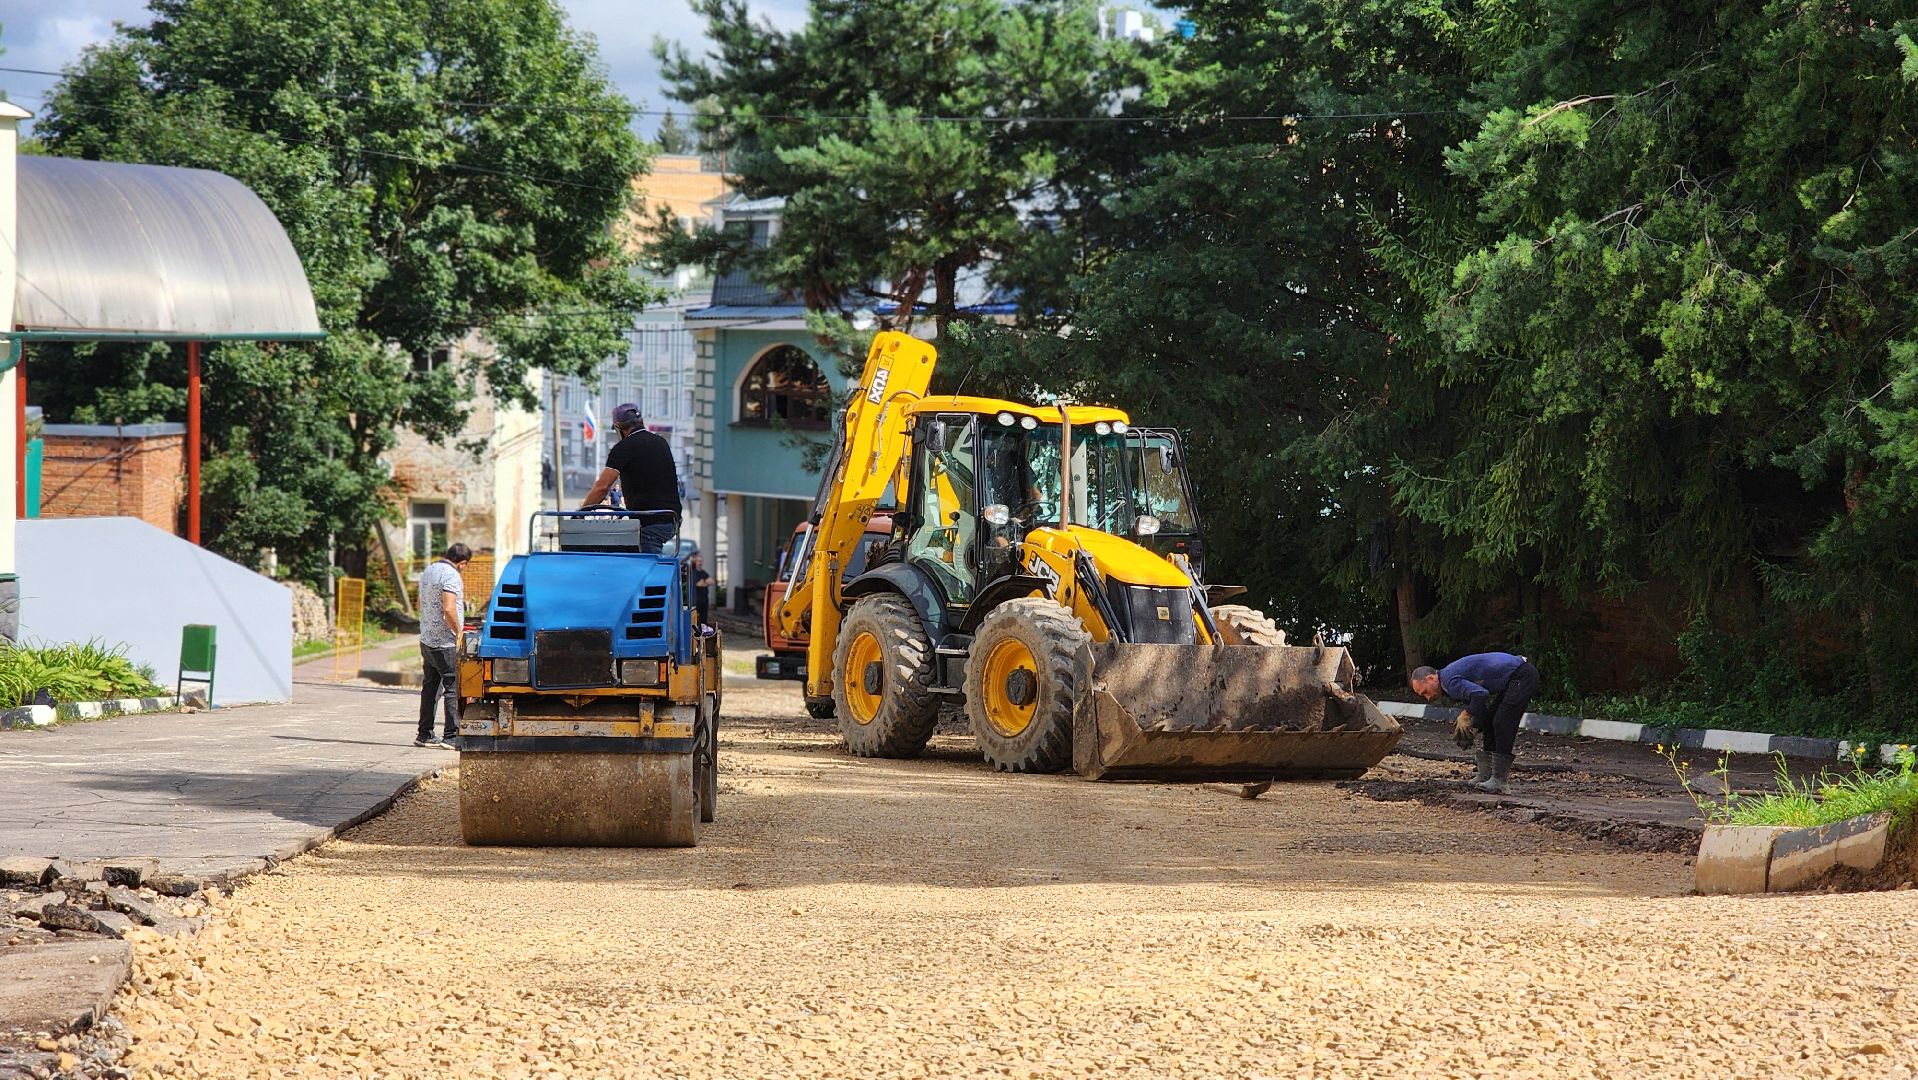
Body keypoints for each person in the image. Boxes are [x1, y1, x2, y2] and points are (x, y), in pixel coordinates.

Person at [1409, 652, 1540, 794]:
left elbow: (1480, 694)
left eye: (1425, 692)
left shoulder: (1449, 682)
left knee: (1502, 721)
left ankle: (1499, 781)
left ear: (1431, 678)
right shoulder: (1448, 680)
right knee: (1490, 722)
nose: (1428, 698)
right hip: (1515, 677)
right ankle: (1486, 775)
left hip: (1522, 675)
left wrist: (1466, 715)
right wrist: (1475, 728)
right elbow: (1479, 705)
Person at [578, 402, 679, 552]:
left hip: (649, 523)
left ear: (618, 427)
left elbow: (602, 488)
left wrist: (580, 514)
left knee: (644, 565)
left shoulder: (623, 448)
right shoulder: (661, 442)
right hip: (671, 519)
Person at [416, 543, 472, 748]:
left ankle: (424, 734)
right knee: (452, 686)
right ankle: (451, 736)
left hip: (427, 639)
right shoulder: (451, 575)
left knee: (430, 686)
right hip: (444, 642)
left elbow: (420, 603)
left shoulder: (428, 570)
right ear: (462, 563)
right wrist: (459, 632)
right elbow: (449, 608)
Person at [690, 554, 712, 628]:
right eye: (698, 561)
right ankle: (697, 632)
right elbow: (699, 584)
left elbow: (712, 581)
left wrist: (704, 581)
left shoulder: (703, 572)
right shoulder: (693, 572)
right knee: (697, 618)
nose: (700, 563)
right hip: (697, 599)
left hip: (704, 599)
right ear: (695, 562)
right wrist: (706, 582)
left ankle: (704, 631)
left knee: (704, 617)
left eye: (701, 561)